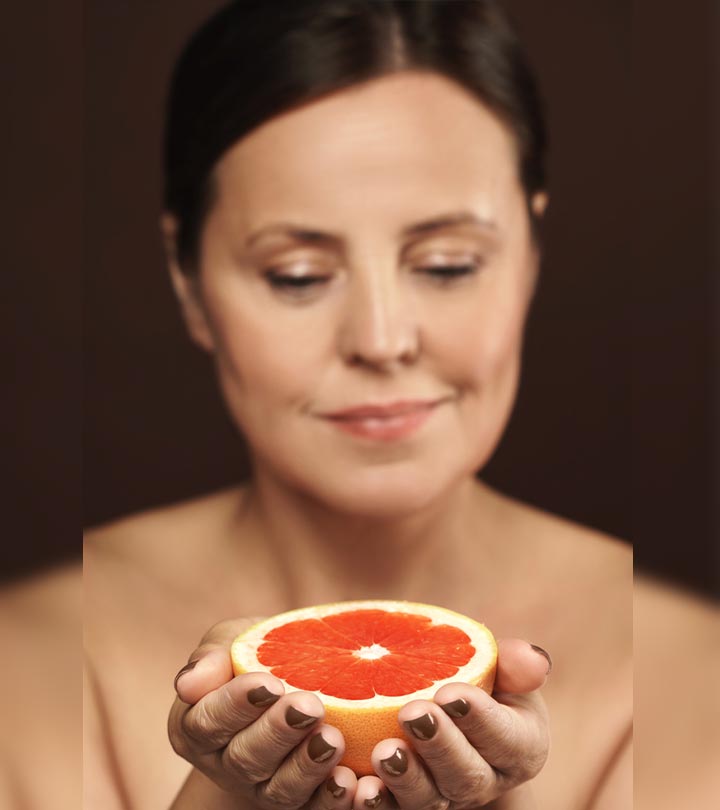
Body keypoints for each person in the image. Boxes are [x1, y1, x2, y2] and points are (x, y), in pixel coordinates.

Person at [83, 1, 633, 808]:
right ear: (187, 281)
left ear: (530, 256)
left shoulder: (691, 671)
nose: (381, 339)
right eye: (296, 276)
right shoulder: (32, 662)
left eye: (447, 265)